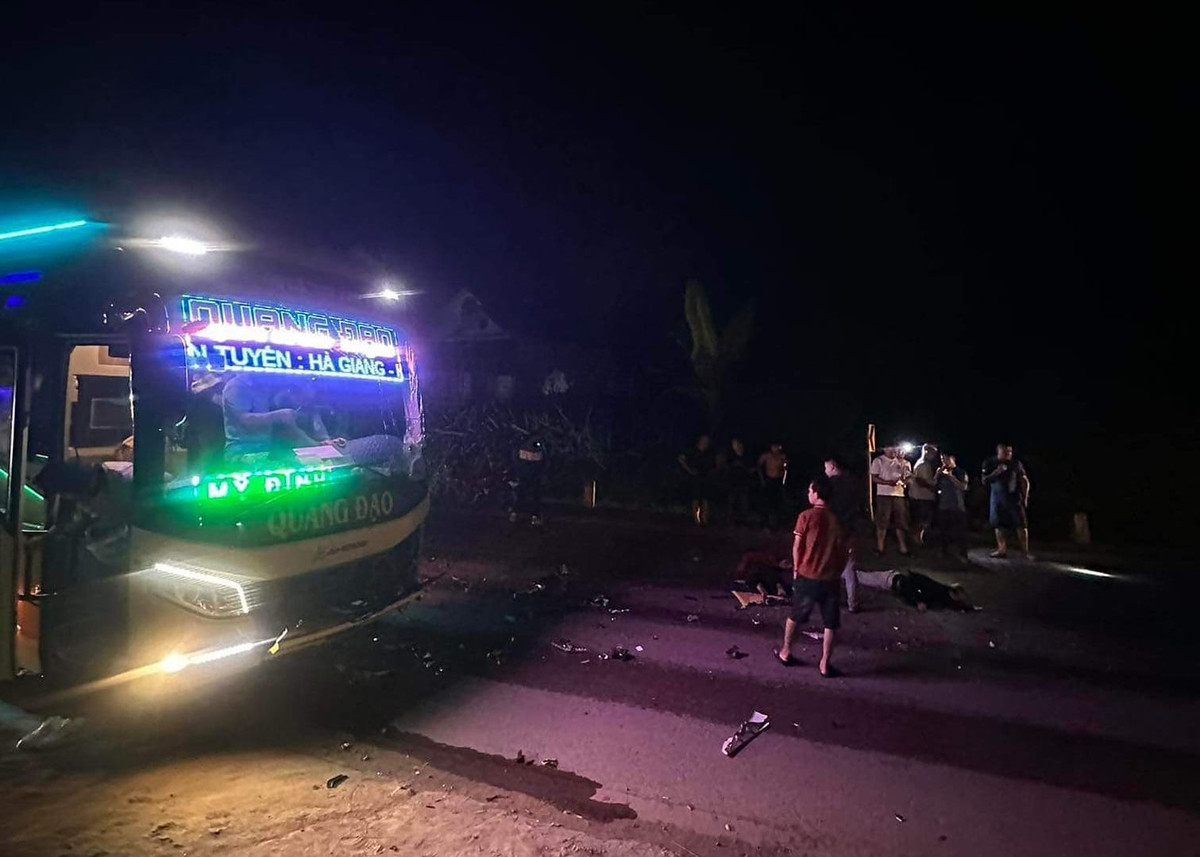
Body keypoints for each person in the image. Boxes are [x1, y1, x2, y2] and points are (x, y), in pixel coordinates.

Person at [774, 474, 851, 678]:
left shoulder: (806, 516)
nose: (808, 493)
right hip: (830, 579)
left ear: (816, 493)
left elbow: (797, 546)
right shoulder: (836, 521)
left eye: (810, 490)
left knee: (796, 616)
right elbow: (844, 552)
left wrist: (796, 570)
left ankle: (785, 651)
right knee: (830, 623)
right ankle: (825, 663)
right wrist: (837, 571)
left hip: (807, 576)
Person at [824, 455, 864, 612]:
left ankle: (830, 599)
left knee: (830, 565)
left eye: (826, 467)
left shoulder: (831, 485)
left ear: (832, 467)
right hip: (851, 529)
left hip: (835, 529)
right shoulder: (854, 482)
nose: (825, 471)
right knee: (849, 566)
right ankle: (853, 602)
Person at [982, 443, 1032, 559]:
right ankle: (1002, 550)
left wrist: (1025, 497)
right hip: (997, 498)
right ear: (999, 452)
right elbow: (984, 480)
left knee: (1021, 525)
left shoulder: (1016, 463)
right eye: (1005, 452)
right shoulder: (990, 463)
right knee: (998, 525)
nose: (1008, 454)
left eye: (1010, 452)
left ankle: (1025, 552)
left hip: (1014, 498)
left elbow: (1024, 480)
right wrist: (997, 472)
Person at [869, 446, 911, 555]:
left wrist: (905, 481)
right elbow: (874, 478)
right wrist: (888, 483)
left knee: (901, 521)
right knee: (882, 522)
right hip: (884, 495)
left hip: (899, 495)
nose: (894, 451)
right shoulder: (879, 460)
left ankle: (903, 548)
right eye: (891, 449)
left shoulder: (903, 462)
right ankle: (880, 547)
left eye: (895, 449)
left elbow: (908, 477)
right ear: (885, 449)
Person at [935, 452, 969, 562]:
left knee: (960, 532)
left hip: (957, 506)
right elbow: (933, 485)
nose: (943, 461)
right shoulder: (941, 472)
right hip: (943, 505)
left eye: (945, 459)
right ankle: (943, 551)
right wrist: (937, 475)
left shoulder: (960, 472)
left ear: (952, 458)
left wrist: (951, 476)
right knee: (943, 531)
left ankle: (962, 554)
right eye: (942, 459)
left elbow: (963, 487)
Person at [678, 434, 716, 526]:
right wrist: (689, 470)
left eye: (707, 441)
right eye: (704, 441)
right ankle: (696, 520)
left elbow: (715, 463)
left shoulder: (709, 452)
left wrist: (712, 472)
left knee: (705, 498)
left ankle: (704, 519)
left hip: (706, 477)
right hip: (695, 478)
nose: (706, 443)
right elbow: (681, 458)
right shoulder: (692, 451)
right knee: (695, 498)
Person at [909, 443, 941, 546]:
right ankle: (916, 539)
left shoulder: (925, 464)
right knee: (922, 519)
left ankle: (919, 539)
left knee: (924, 519)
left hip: (923, 496)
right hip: (921, 497)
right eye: (933, 452)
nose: (934, 455)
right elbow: (920, 481)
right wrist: (932, 489)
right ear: (926, 452)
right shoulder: (923, 464)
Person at [510, 435, 546, 525]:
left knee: (525, 492)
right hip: (530, 471)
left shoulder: (521, 441)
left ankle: (517, 514)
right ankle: (528, 515)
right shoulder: (535, 441)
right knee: (529, 493)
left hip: (528, 470)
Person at [757, 442, 788, 529]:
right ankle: (766, 523)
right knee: (767, 502)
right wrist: (762, 479)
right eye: (774, 446)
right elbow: (758, 466)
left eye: (777, 447)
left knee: (777, 502)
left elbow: (785, 469)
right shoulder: (766, 456)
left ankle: (776, 523)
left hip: (778, 481)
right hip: (768, 480)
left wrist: (783, 481)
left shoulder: (782, 457)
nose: (776, 448)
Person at [722, 437, 752, 526]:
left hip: (743, 482)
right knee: (731, 501)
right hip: (732, 482)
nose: (735, 445)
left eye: (736, 443)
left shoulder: (746, 455)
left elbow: (750, 468)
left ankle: (743, 520)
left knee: (744, 502)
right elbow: (726, 466)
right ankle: (729, 520)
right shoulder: (730, 455)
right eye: (733, 444)